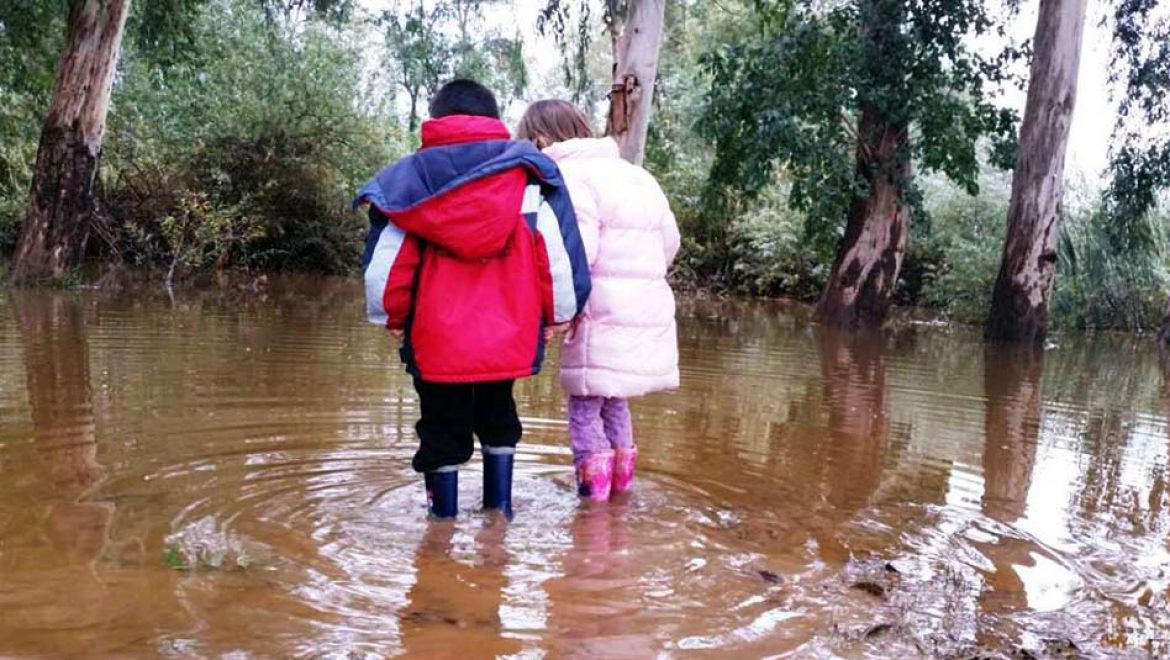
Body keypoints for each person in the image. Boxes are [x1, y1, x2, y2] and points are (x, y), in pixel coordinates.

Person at [354, 81, 591, 520]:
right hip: (508, 334)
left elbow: (387, 266)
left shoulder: (409, 182)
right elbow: (555, 255)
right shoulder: (527, 178)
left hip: (435, 337)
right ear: (495, 120)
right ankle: (499, 516)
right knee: (499, 412)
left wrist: (391, 314)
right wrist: (559, 314)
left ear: (435, 120)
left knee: (441, 426)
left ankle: (440, 531)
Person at [515, 100, 680, 502]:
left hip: (596, 311)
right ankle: (620, 500)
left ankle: (592, 509)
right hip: (643, 309)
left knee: (585, 406)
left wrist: (556, 311)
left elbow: (575, 254)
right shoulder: (637, 176)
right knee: (614, 401)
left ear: (540, 140)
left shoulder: (569, 177)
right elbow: (670, 243)